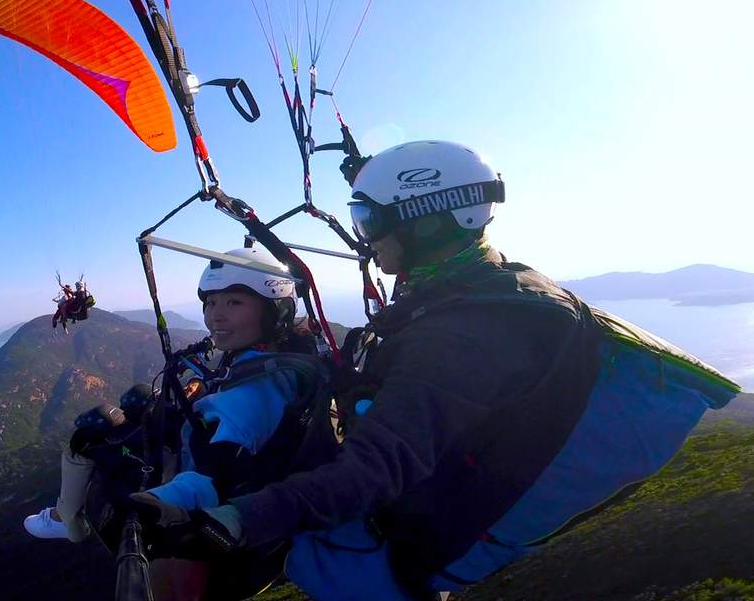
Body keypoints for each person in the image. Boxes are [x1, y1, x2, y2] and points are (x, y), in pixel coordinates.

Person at [128, 140, 738, 600]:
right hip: (436, 503)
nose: (365, 238)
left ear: (426, 221)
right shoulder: (484, 285)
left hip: (399, 550)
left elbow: (375, 471)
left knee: (234, 547)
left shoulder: (464, 335)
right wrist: (367, 178)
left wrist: (238, 519)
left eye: (372, 222)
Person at [25, 246, 329, 600]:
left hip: (210, 496)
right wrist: (200, 389)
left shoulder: (253, 393)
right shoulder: (282, 357)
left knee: (91, 430)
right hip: (233, 467)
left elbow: (212, 475)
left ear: (275, 309)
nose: (216, 315)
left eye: (234, 302)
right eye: (211, 303)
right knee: (140, 398)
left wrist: (149, 503)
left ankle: (69, 521)